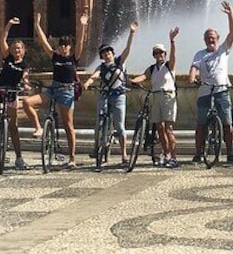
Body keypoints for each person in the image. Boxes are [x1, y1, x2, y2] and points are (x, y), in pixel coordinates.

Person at [22, 12, 88, 169]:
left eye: (66, 45)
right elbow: (44, 41)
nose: (63, 48)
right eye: (61, 45)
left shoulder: (73, 58)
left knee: (68, 125)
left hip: (67, 92)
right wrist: (37, 25)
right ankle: (38, 128)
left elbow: (80, 42)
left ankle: (72, 158)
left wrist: (83, 25)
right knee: (27, 102)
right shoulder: (55, 57)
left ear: (69, 47)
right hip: (53, 89)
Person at [0, 18, 32, 170]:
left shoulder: (24, 65)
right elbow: (1, 39)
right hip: (0, 89)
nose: (16, 51)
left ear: (23, 50)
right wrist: (9, 24)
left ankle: (19, 158)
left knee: (13, 127)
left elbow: (25, 76)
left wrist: (26, 84)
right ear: (11, 50)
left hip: (12, 93)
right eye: (14, 48)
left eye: (19, 49)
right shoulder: (7, 58)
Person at [84, 21, 138, 166]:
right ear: (102, 56)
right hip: (105, 95)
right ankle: (98, 148)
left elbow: (127, 49)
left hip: (119, 95)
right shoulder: (101, 67)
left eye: (108, 52)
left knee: (120, 126)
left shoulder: (120, 62)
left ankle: (124, 155)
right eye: (104, 53)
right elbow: (95, 75)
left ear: (112, 54)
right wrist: (88, 82)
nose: (107, 55)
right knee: (99, 121)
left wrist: (132, 33)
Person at [189, 1, 233, 163]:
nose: (210, 40)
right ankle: (197, 153)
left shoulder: (223, 50)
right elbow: (194, 67)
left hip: (222, 91)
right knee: (201, 124)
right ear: (204, 40)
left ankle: (230, 153)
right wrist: (192, 77)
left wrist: (231, 15)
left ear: (218, 39)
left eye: (213, 38)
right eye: (208, 38)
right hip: (204, 92)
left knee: (227, 123)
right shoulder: (199, 54)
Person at [131, 27, 180, 168]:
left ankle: (174, 157)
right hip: (155, 96)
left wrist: (172, 41)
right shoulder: (152, 68)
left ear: (164, 54)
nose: (159, 54)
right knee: (159, 127)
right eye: (156, 53)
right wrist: (133, 80)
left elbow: (174, 56)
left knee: (168, 128)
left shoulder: (169, 66)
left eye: (161, 52)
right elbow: (144, 76)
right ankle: (166, 154)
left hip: (167, 95)